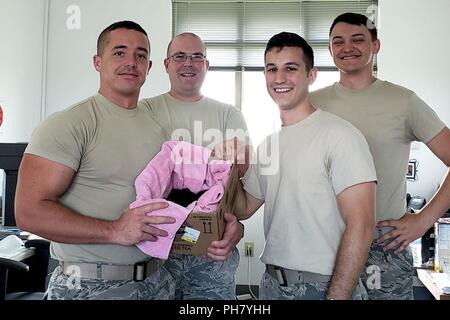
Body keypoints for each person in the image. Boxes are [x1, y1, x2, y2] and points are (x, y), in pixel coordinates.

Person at [14, 21, 177, 300]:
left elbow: (169, 200)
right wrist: (114, 231)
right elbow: (29, 212)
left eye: (140, 55)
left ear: (149, 67)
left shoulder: (160, 128)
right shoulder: (69, 124)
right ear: (97, 62)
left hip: (155, 282)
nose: (131, 62)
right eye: (119, 52)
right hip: (88, 286)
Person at [310, 12, 450, 300]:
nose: (347, 47)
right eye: (339, 41)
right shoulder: (312, 103)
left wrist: (424, 220)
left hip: (382, 246)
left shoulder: (404, 101)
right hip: (323, 243)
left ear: (376, 46)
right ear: (330, 50)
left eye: (358, 39)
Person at [234, 32, 377, 300]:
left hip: (322, 286)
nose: (279, 78)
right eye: (271, 69)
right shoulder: (269, 145)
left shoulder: (340, 135)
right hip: (272, 284)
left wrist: (338, 295)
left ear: (311, 75)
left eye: (291, 68)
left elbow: (362, 224)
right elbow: (243, 208)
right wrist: (227, 169)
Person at [139, 32, 249, 299]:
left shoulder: (228, 114)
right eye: (180, 56)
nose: (189, 63)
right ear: (166, 64)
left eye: (197, 57)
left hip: (211, 252)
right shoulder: (144, 111)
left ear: (207, 65)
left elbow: (238, 176)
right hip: (157, 250)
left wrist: (238, 225)